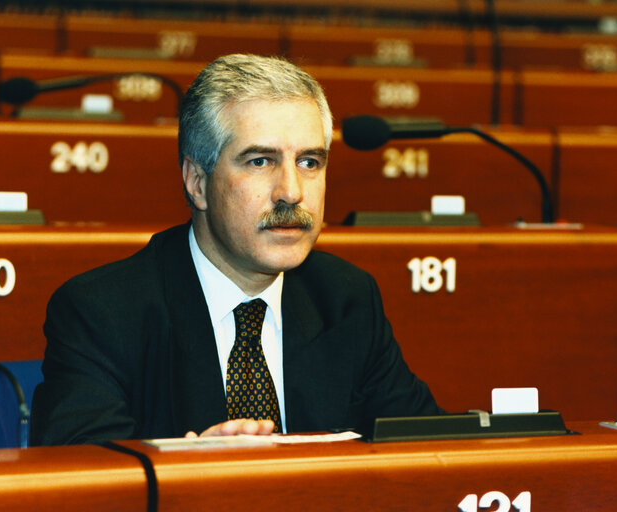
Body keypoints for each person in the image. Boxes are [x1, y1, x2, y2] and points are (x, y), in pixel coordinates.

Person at [30, 54, 441, 445]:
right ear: (197, 182)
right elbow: (80, 475)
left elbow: (429, 450)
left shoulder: (346, 299)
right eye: (260, 161)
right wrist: (185, 470)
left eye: (310, 162)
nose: (291, 193)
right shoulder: (102, 313)